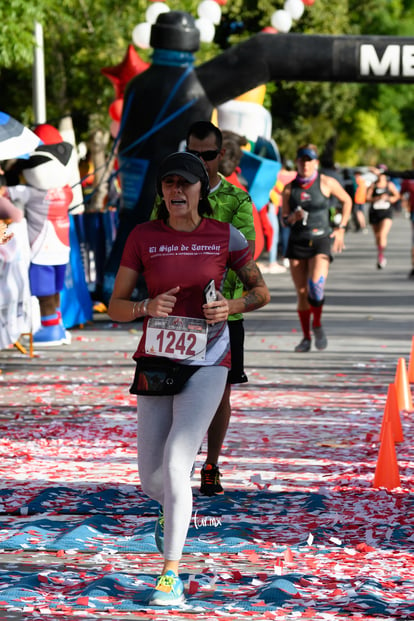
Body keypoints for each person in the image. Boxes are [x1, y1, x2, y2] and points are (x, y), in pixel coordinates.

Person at [108, 151, 270, 606]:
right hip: (157, 360)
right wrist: (145, 307)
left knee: (179, 461)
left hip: (209, 357)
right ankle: (171, 510)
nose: (176, 191)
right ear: (161, 191)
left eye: (185, 183)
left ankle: (170, 575)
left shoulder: (225, 234)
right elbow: (115, 305)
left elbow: (261, 291)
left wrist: (231, 307)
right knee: (152, 478)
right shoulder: (144, 236)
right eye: (168, 184)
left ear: (202, 188)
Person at [185, 121, 256, 496]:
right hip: (176, 312)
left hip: (223, 313)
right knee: (171, 391)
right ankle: (177, 463)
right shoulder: (169, 193)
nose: (200, 161)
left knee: (219, 394)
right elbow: (152, 241)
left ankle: (211, 464)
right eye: (193, 154)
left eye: (207, 155)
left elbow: (247, 256)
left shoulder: (237, 200)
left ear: (220, 155)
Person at [282, 144, 352, 352]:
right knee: (302, 293)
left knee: (316, 286)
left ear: (316, 163)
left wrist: (341, 228)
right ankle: (305, 337)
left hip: (321, 239)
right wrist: (292, 217)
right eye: (302, 160)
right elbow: (284, 220)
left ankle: (318, 324)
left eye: (309, 160)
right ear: (297, 162)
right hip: (297, 242)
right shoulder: (289, 189)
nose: (305, 164)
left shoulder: (326, 182)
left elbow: (347, 201)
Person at [366, 169, 400, 269]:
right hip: (375, 212)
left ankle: (381, 257)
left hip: (386, 212)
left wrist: (389, 198)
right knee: (377, 237)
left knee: (382, 234)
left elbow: (397, 196)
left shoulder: (389, 185)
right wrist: (376, 198)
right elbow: (366, 198)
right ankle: (380, 251)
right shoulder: (373, 185)